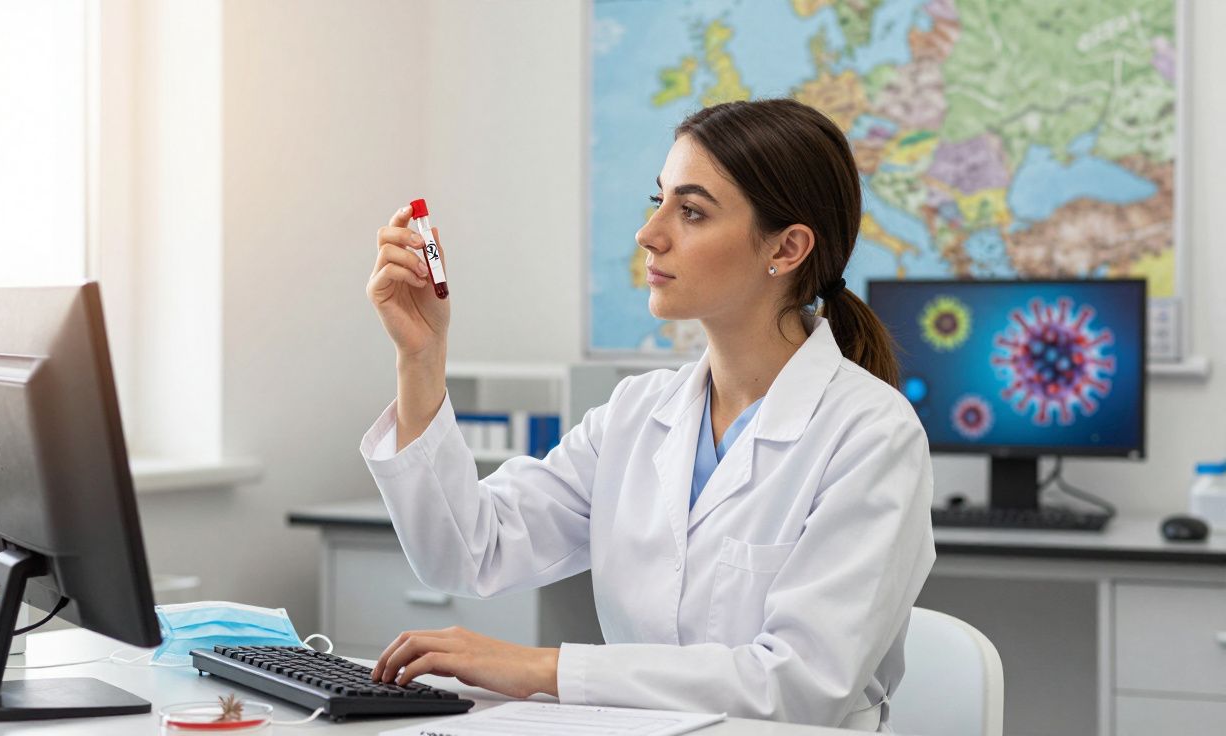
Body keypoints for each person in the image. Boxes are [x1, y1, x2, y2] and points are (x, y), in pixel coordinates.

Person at [360, 98, 935, 731]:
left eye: (691, 211)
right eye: (656, 201)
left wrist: (542, 669)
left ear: (788, 247)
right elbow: (469, 553)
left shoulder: (872, 435)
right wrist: (422, 358)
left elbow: (798, 686)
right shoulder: (637, 414)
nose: (649, 233)